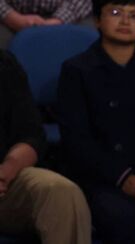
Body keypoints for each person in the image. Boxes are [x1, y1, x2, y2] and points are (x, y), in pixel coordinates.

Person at [56, 0, 135, 244]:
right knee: (119, 220)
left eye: (134, 15)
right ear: (97, 20)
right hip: (105, 179)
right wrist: (122, 177)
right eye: (115, 13)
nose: (125, 21)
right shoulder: (77, 70)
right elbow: (77, 140)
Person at [0, 49, 91, 244]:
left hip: (5, 183)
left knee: (61, 193)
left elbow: (31, 135)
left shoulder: (4, 63)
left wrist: (6, 172)